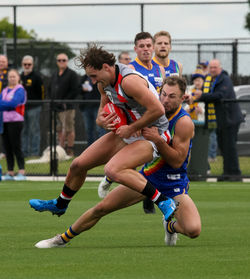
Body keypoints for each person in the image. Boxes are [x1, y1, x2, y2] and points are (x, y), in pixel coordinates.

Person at [34, 76, 201, 249]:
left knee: (193, 230)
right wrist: (109, 120)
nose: (165, 100)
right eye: (164, 94)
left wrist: (158, 141)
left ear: (183, 98)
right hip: (147, 179)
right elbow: (112, 116)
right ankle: (61, 239)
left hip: (173, 183)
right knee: (102, 208)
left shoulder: (183, 122)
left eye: (172, 96)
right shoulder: (149, 111)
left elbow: (177, 161)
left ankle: (169, 226)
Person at [29, 45, 177, 223]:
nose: (92, 81)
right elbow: (101, 115)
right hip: (129, 131)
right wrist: (103, 121)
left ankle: (164, 202)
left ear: (106, 67)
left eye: (93, 76)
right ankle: (60, 204)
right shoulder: (103, 84)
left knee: (113, 170)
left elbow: (158, 109)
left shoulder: (128, 81)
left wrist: (131, 127)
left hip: (153, 133)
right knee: (78, 165)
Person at [98, 32, 165, 213]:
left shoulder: (160, 69)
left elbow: (160, 99)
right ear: (135, 49)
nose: (146, 49)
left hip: (155, 121)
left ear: (153, 47)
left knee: (159, 164)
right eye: (141, 46)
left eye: (148, 46)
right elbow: (120, 101)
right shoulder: (130, 69)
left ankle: (152, 197)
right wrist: (131, 124)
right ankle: (111, 178)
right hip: (136, 124)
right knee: (130, 160)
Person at [193, 59, 244, 181]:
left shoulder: (224, 79)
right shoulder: (213, 80)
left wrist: (201, 96)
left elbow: (220, 95)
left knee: (229, 147)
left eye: (215, 67)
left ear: (220, 68)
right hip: (222, 121)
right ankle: (227, 173)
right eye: (211, 68)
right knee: (224, 147)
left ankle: (234, 174)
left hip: (230, 120)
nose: (212, 70)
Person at [47, 53, 79, 156]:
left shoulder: (72, 74)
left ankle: (70, 151)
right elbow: (49, 89)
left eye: (64, 60)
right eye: (59, 60)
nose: (61, 62)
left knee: (69, 129)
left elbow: (75, 90)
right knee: (59, 129)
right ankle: (61, 150)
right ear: (57, 62)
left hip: (67, 107)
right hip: (55, 107)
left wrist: (65, 101)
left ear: (67, 61)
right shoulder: (54, 74)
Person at [0, 69, 27, 181]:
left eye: (14, 76)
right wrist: (6, 105)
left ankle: (21, 170)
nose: (12, 78)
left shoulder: (20, 90)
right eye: (10, 77)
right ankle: (10, 171)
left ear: (18, 78)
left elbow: (14, 103)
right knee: (7, 148)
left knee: (16, 146)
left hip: (16, 121)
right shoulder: (5, 90)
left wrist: (4, 105)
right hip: (4, 122)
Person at [21, 55, 44, 157]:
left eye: (29, 64)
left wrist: (39, 104)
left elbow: (42, 92)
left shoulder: (37, 77)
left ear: (32, 65)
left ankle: (34, 153)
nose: (27, 66)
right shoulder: (19, 77)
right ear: (22, 65)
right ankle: (24, 153)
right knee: (23, 131)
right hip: (21, 108)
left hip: (34, 108)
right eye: (25, 64)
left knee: (34, 130)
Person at [79, 74, 105, 147]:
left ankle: (102, 149)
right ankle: (90, 150)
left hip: (98, 106)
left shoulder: (101, 77)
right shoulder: (84, 78)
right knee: (89, 130)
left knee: (100, 129)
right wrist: (83, 89)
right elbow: (78, 89)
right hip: (86, 106)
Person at [0, 55, 9, 159]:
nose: (1, 63)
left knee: (5, 131)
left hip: (5, 109)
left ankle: (4, 152)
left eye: (3, 61)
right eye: (0, 61)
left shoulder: (9, 75)